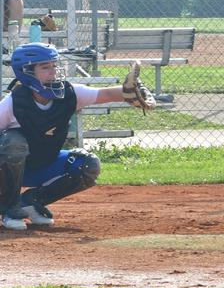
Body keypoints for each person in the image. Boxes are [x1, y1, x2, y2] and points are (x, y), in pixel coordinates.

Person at [0, 42, 155, 230]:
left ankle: (31, 202)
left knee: (86, 165)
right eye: (45, 67)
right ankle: (10, 207)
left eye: (54, 66)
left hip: (43, 164)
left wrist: (129, 93)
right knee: (13, 142)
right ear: (26, 72)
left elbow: (104, 94)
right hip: (8, 171)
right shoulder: (12, 104)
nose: (53, 71)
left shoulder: (69, 93)